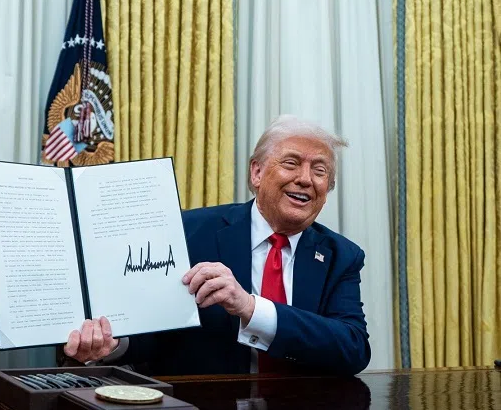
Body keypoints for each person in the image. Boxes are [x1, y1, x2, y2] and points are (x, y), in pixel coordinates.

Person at [63, 115, 370, 376]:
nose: (305, 179)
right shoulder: (187, 232)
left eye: (320, 171)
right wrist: (113, 344)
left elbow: (353, 347)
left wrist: (250, 308)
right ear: (257, 172)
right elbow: (152, 333)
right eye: (291, 163)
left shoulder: (341, 256)